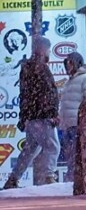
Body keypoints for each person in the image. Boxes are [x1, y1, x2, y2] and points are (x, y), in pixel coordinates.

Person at [3, 37, 60, 188]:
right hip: (42, 115)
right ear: (43, 49)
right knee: (53, 147)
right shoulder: (41, 68)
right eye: (48, 49)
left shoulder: (27, 68)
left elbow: (26, 94)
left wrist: (25, 116)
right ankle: (49, 175)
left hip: (32, 115)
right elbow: (48, 92)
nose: (49, 52)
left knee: (30, 148)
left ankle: (13, 178)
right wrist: (52, 113)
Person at [56, 51, 86, 183]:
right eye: (66, 64)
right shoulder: (71, 80)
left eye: (69, 63)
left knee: (77, 155)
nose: (67, 67)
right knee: (71, 155)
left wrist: (85, 120)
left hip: (78, 124)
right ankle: (72, 180)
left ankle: (77, 180)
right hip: (69, 124)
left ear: (76, 63)